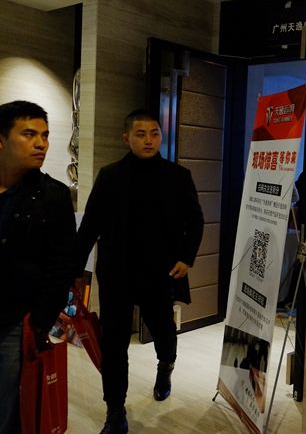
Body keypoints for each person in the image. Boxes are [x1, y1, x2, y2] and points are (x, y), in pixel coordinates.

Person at [78, 109, 204, 434]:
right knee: (114, 344)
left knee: (163, 329)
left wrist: (187, 257)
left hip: (160, 273)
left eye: (154, 133)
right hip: (116, 274)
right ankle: (115, 410)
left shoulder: (178, 176)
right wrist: (74, 271)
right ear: (126, 138)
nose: (149, 140)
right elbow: (90, 226)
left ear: (161, 136)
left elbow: (195, 221)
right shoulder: (110, 176)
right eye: (140, 134)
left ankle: (166, 365)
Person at [0, 100, 77, 433]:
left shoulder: (52, 196)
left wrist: (41, 321)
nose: (41, 143)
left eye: (45, 135)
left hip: (16, 321)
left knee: (8, 404)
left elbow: (62, 265)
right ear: (1, 140)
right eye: (29, 134)